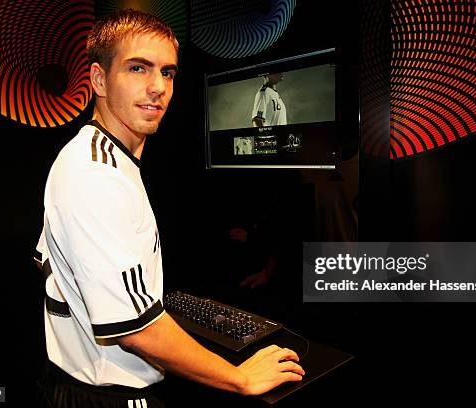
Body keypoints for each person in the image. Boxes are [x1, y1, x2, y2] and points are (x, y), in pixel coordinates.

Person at [35, 9, 303, 408]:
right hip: (104, 396)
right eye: (138, 68)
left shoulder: (101, 158)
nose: (158, 86)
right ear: (98, 79)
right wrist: (240, 377)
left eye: (168, 72)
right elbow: (137, 332)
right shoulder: (95, 175)